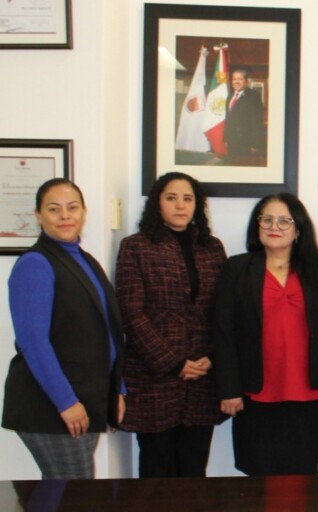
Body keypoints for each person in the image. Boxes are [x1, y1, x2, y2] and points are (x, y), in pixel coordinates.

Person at [213, 193, 318, 476]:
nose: (274, 226)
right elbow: (223, 331)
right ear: (257, 226)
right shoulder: (237, 269)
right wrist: (229, 388)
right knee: (258, 470)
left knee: (301, 470)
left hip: (307, 390)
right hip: (254, 390)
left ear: (298, 229)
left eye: (284, 221)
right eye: (266, 219)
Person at [2, 178, 125, 479]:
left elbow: (107, 330)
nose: (65, 216)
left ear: (84, 212)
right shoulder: (35, 264)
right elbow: (33, 342)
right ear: (38, 215)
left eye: (72, 207)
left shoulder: (85, 260)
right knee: (73, 494)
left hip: (86, 397)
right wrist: (66, 402)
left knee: (64, 496)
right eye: (54, 209)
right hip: (52, 404)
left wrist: (117, 389)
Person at [116, 172, 229, 477]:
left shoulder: (212, 248)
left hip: (202, 381)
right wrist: (173, 363)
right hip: (153, 381)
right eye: (171, 198)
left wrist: (212, 356)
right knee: (156, 477)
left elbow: (223, 311)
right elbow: (131, 314)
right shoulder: (136, 247)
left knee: (194, 473)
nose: (180, 205)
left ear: (197, 205)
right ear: (157, 203)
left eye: (187, 199)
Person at [224, 67, 265, 159]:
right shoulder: (230, 96)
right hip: (231, 141)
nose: (236, 82)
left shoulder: (253, 96)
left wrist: (255, 144)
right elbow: (228, 119)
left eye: (240, 79)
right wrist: (226, 138)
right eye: (234, 79)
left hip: (246, 143)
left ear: (246, 81)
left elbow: (257, 122)